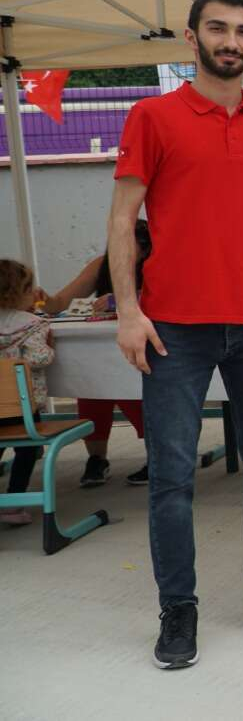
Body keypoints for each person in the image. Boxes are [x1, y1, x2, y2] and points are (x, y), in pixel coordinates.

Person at [109, 0, 243, 670]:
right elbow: (122, 221)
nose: (231, 42)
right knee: (172, 477)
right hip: (174, 326)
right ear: (192, 36)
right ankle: (178, 608)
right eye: (218, 28)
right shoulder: (153, 116)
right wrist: (129, 311)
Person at [41, 221, 153, 487]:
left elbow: (167, 296)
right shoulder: (101, 264)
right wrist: (42, 299)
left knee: (132, 392)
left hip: (143, 344)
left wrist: (122, 299)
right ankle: (97, 459)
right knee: (90, 388)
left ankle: (157, 455)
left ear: (145, 247)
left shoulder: (157, 264)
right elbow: (61, 302)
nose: (118, 249)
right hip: (105, 342)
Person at [0, 259, 50, 526]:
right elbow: (39, 358)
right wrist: (50, 348)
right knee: (28, 449)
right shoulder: (32, 324)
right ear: (20, 292)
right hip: (24, 409)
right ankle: (13, 503)